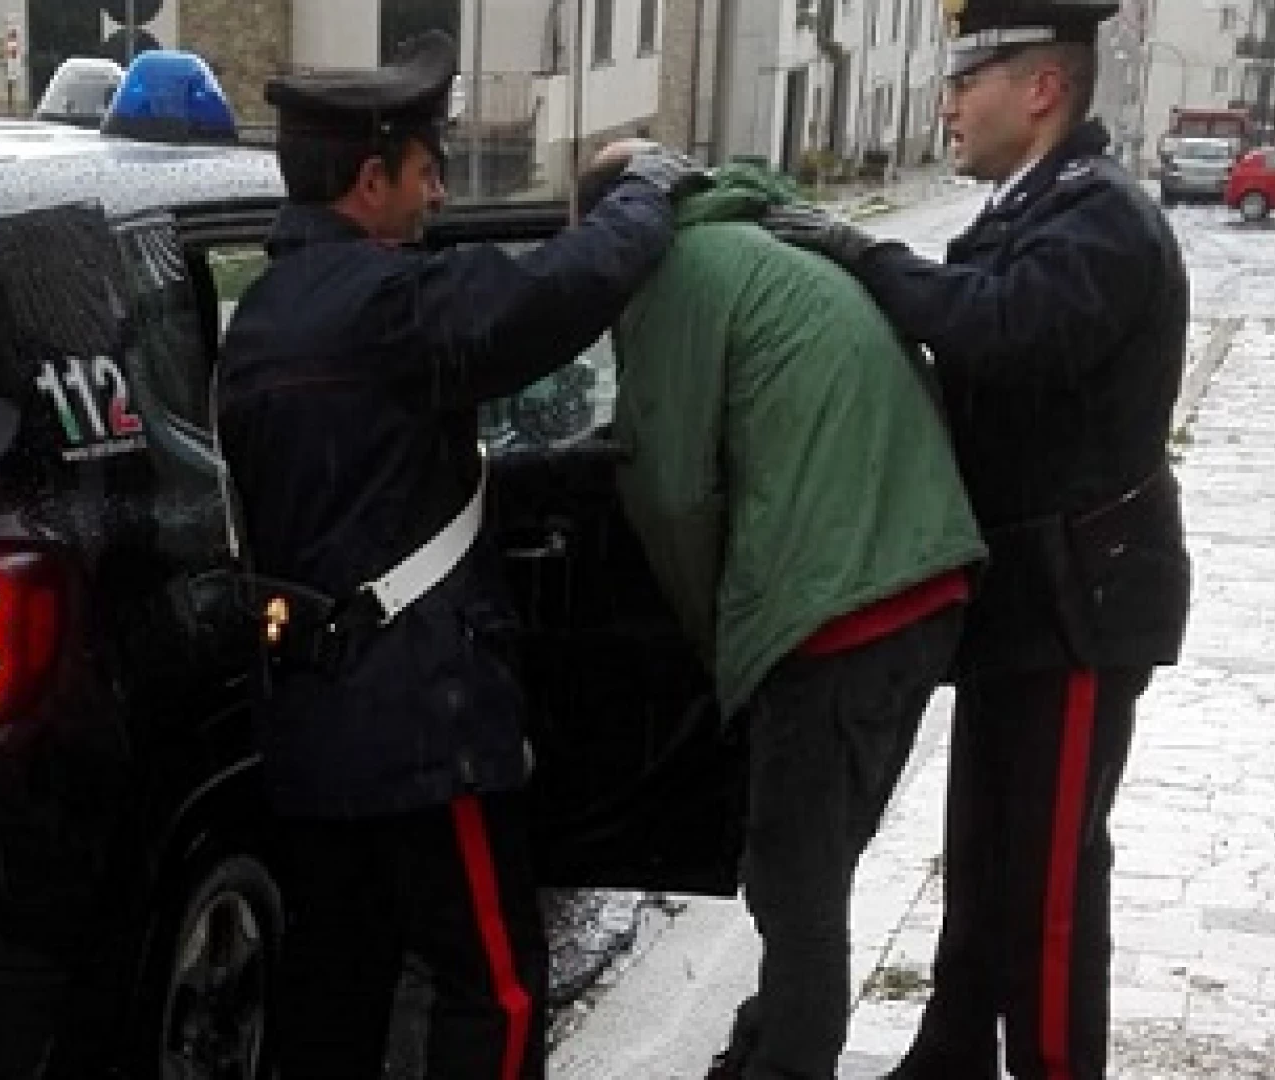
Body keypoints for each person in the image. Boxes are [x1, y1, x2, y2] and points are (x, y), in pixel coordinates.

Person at [214, 32, 703, 1080]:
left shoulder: (261, 317)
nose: (438, 189)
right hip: (425, 730)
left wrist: (543, 476)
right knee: (496, 989)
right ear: (370, 177)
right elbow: (552, 297)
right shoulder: (390, 302)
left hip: (311, 724)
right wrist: (643, 197)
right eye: (426, 166)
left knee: (333, 988)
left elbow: (359, 486)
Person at [760, 1, 1193, 1076]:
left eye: (970, 77)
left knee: (1047, 880)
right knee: (985, 853)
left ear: (1041, 87)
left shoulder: (1100, 220)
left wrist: (864, 255)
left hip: (1081, 600)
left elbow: (997, 330)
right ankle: (951, 1050)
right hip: (1024, 598)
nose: (948, 100)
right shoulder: (1031, 207)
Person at [573, 143, 986, 1080]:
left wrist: (714, 639)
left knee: (795, 881)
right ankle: (770, 1034)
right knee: (814, 862)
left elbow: (673, 494)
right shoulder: (767, 247)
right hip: (926, 584)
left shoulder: (679, 276)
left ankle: (789, 1062)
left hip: (838, 607)